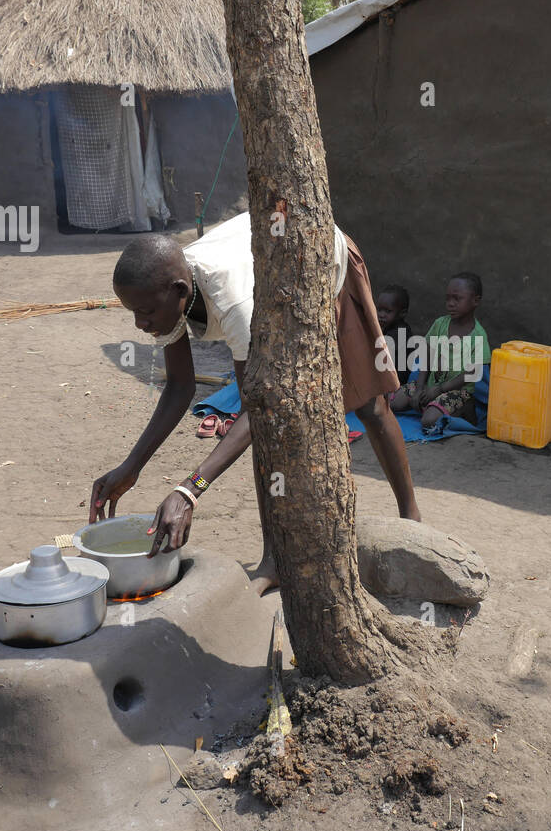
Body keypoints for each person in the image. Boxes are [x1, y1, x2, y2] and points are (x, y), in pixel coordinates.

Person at [91, 212, 420, 593]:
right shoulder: (168, 292)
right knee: (268, 433)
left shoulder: (231, 302)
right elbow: (180, 388)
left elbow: (259, 408)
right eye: (133, 312)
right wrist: (131, 467)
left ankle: (411, 517)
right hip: (270, 281)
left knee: (369, 405)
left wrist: (189, 490)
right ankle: (275, 561)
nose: (139, 325)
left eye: (145, 313)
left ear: (180, 292)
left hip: (320, 258)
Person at [390, 272, 490, 428]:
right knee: (394, 403)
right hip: (430, 385)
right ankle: (432, 405)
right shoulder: (440, 324)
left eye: (457, 299)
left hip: (457, 391)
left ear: (475, 301)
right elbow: (427, 355)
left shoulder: (478, 335)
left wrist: (439, 390)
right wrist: (420, 387)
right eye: (448, 298)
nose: (450, 303)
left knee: (429, 421)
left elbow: (471, 373)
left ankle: (465, 408)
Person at [375, 284, 414, 385]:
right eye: (379, 310)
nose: (381, 315)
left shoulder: (400, 332)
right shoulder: (389, 329)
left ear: (402, 313)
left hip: (397, 383)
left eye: (388, 311)